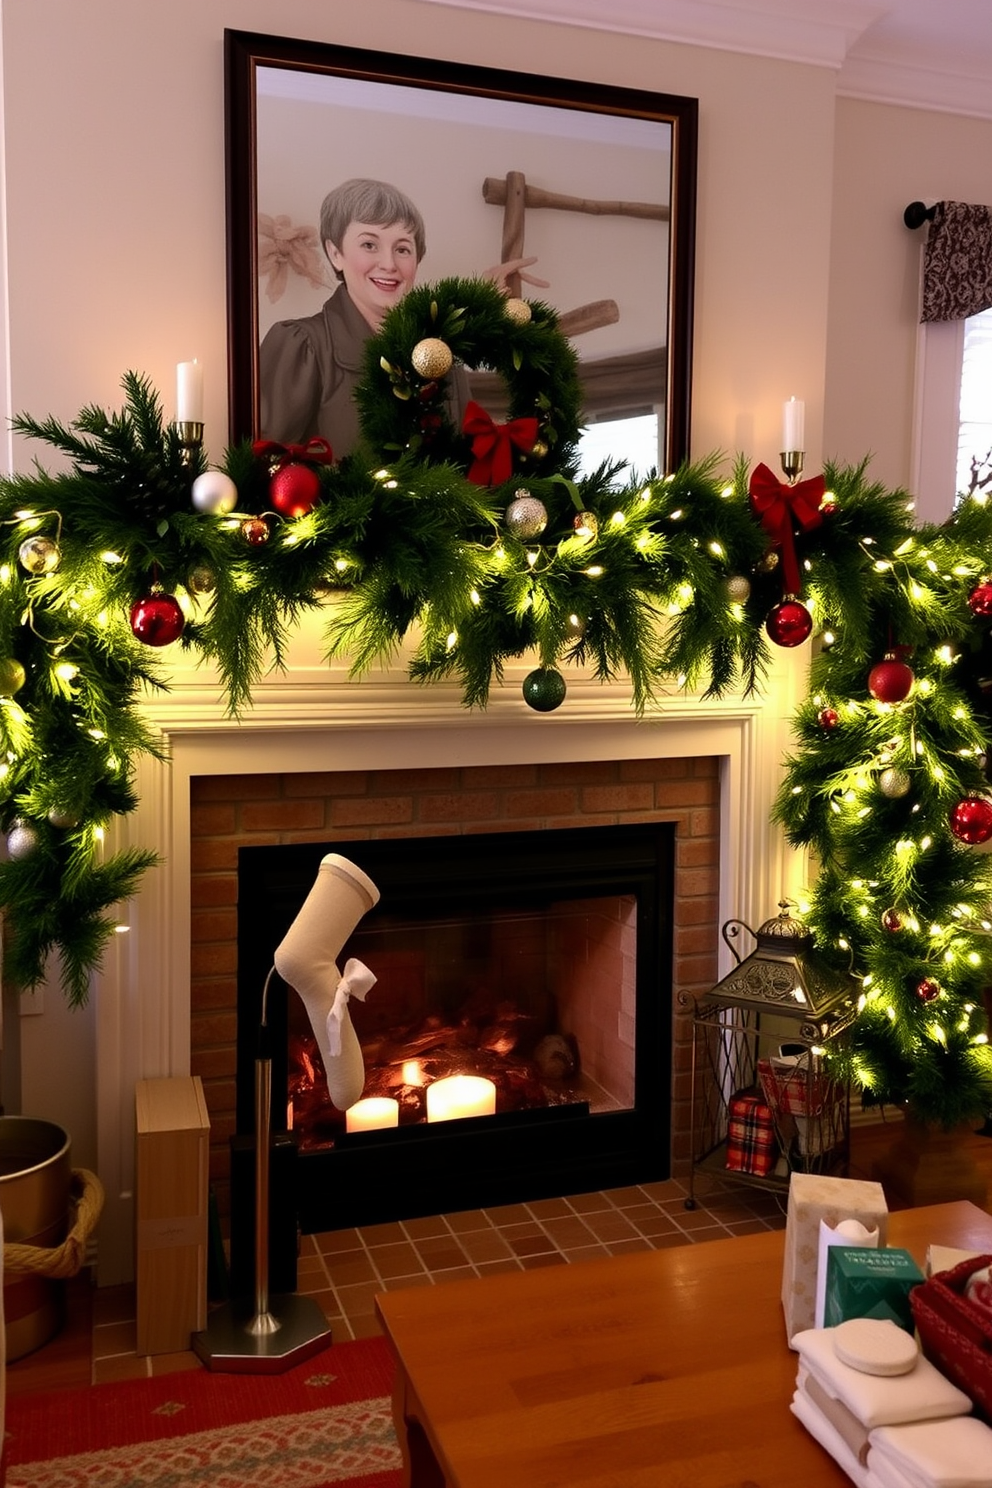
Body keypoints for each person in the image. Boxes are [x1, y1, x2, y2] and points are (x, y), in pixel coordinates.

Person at [259, 176, 546, 454]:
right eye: (369, 244)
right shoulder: (300, 345)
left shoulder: (441, 354)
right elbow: (260, 473)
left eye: (403, 249)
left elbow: (463, 466)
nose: (389, 264)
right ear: (336, 253)